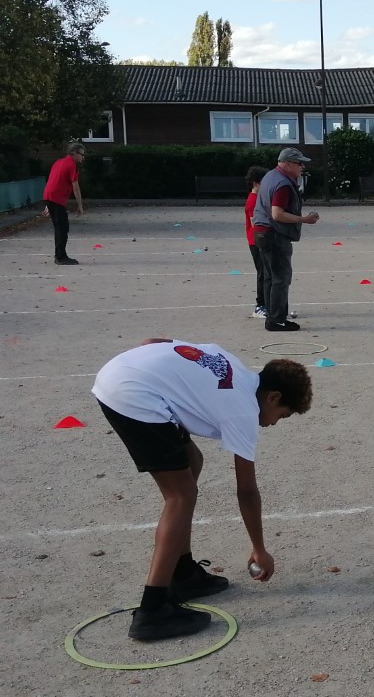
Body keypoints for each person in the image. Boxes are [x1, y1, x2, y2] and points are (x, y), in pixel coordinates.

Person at [91, 338, 313, 641]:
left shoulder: (233, 362)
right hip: (132, 396)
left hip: (120, 375)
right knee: (181, 494)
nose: (275, 423)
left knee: (191, 460)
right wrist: (259, 549)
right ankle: (152, 610)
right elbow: (246, 491)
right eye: (283, 415)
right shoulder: (244, 410)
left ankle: (182, 573)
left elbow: (157, 342)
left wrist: (142, 365)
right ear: (273, 397)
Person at [253, 148, 320, 332]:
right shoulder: (283, 183)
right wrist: (304, 219)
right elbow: (277, 214)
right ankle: (276, 320)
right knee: (281, 278)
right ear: (288, 164)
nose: (302, 167)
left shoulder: (270, 176)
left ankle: (272, 316)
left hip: (261, 232)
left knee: (270, 277)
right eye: (299, 163)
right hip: (274, 234)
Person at [43, 142, 85, 265]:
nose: (83, 157)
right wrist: (80, 205)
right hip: (55, 198)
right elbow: (75, 185)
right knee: (62, 228)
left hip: (50, 196)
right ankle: (60, 257)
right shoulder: (72, 164)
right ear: (74, 153)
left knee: (60, 227)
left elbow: (53, 180)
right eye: (82, 154)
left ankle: (60, 255)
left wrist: (47, 202)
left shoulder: (58, 162)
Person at [244, 166, 269, 318]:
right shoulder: (253, 201)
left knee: (266, 272)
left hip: (258, 240)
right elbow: (256, 224)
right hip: (256, 241)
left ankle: (267, 303)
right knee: (263, 273)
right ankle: (260, 305)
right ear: (255, 183)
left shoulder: (258, 199)